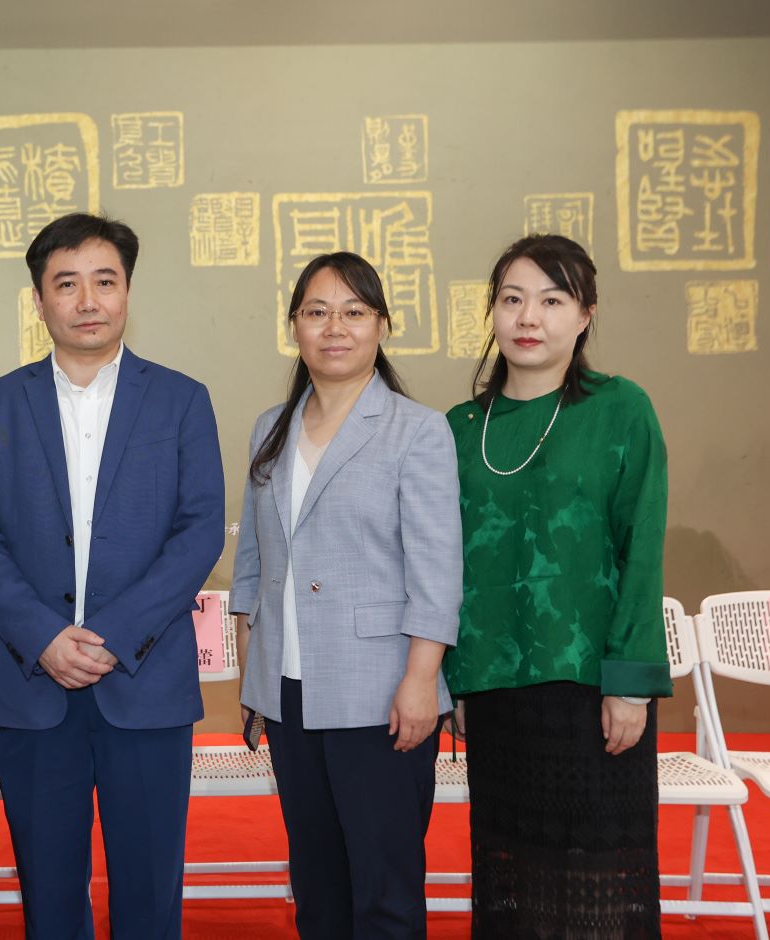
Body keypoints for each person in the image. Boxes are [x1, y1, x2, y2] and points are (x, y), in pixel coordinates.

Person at [0, 212, 224, 938]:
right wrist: (44, 636)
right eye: (66, 284)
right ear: (38, 300)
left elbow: (199, 531)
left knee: (150, 899)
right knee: (48, 901)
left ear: (127, 291)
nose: (87, 301)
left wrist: (113, 635)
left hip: (146, 685)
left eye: (105, 282)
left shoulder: (180, 399)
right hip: (36, 687)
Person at [443, 234, 671, 937]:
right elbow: (442, 565)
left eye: (551, 300)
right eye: (512, 299)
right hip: (494, 687)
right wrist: (453, 679)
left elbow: (642, 551)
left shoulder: (620, 409)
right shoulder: (459, 429)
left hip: (590, 689)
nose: (528, 317)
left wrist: (630, 683)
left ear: (585, 315)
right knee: (513, 877)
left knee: (597, 886)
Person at [229, 252, 462, 937]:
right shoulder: (270, 428)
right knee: (318, 886)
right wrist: (253, 678)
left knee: (384, 891)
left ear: (382, 325)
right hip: (290, 693)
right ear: (294, 327)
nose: (335, 327)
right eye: (317, 312)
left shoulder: (417, 430)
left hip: (382, 694)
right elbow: (253, 566)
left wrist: (421, 682)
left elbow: (437, 572)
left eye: (354, 312)